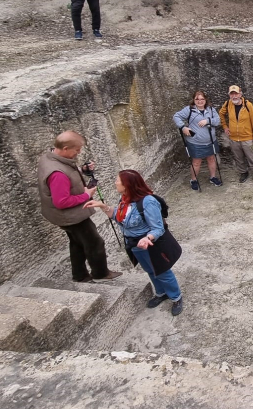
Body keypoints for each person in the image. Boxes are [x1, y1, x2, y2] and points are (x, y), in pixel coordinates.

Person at [86, 170, 183, 316]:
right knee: (150, 271)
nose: (115, 182)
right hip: (135, 246)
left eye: (117, 180)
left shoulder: (148, 202)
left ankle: (176, 297)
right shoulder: (125, 200)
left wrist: (147, 238)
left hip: (151, 245)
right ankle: (161, 293)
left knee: (162, 271)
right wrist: (102, 206)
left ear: (127, 184)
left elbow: (158, 228)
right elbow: (117, 216)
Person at [37, 130, 122, 283]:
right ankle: (100, 273)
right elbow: (61, 201)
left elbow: (67, 178)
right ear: (65, 149)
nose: (79, 152)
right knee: (95, 242)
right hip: (71, 216)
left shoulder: (51, 157)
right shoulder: (57, 173)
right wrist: (86, 195)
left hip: (62, 216)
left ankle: (80, 275)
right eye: (76, 150)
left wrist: (83, 170)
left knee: (77, 243)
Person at [174, 90, 222, 191]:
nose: (200, 101)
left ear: (205, 100)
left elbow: (217, 121)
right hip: (195, 142)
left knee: (212, 159)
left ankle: (213, 177)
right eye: (197, 99)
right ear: (194, 100)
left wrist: (208, 121)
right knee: (196, 162)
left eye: (202, 99)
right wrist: (183, 127)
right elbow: (176, 116)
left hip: (211, 141)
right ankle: (194, 180)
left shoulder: (211, 110)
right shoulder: (189, 110)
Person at [219, 85, 253, 186]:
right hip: (234, 138)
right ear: (229, 95)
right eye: (232, 94)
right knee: (238, 157)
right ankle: (243, 172)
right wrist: (225, 126)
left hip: (247, 138)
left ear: (240, 94)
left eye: (236, 93)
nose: (234, 96)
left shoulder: (248, 105)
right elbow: (221, 114)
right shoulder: (227, 104)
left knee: (252, 157)